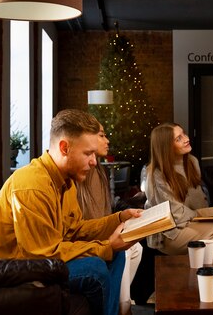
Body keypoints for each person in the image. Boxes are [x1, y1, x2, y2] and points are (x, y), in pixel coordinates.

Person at [0, 109, 143, 315]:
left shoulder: (66, 182)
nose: (94, 162)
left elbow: (76, 229)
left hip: (38, 261)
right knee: (95, 268)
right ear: (65, 147)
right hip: (12, 272)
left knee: (117, 255)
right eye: (88, 153)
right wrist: (106, 246)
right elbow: (41, 255)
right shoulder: (31, 185)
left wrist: (119, 218)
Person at [144, 122, 213, 255]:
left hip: (191, 222)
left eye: (183, 134)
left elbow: (198, 202)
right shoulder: (156, 174)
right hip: (170, 232)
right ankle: (206, 274)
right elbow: (175, 215)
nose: (186, 139)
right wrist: (199, 216)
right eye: (178, 139)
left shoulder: (192, 162)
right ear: (166, 147)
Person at [76, 123, 143, 315]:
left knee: (135, 248)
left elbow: (105, 211)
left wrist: (123, 216)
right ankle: (124, 307)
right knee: (124, 251)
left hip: (95, 231)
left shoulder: (100, 172)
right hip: (83, 238)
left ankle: (120, 304)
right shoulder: (77, 174)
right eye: (102, 136)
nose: (107, 141)